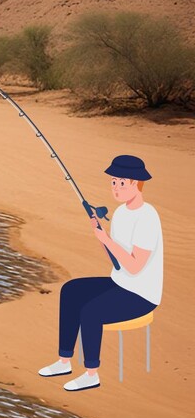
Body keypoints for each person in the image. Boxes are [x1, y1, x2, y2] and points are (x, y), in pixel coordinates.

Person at [37, 155, 163, 391]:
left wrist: (106, 239)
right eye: (113, 182)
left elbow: (136, 267)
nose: (116, 188)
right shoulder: (120, 214)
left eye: (122, 182)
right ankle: (64, 361)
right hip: (120, 282)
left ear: (137, 183)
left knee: (91, 311)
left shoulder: (148, 217)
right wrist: (102, 237)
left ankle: (91, 373)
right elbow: (117, 264)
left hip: (142, 294)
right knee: (71, 290)